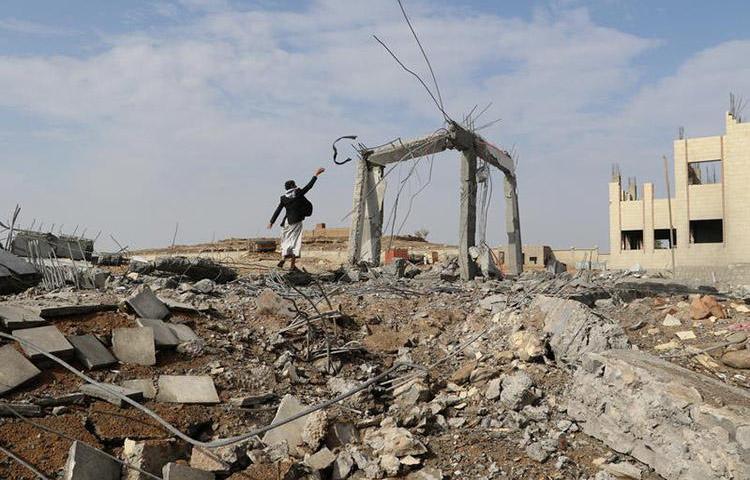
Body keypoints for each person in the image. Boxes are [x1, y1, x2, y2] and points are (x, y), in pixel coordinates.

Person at [267, 167, 326, 270]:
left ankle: (283, 258)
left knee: (285, 241)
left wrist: (271, 222)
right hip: (296, 222)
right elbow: (309, 186)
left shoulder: (283, 198)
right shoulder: (298, 193)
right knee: (295, 242)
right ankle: (292, 266)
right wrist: (316, 174)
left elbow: (278, 209)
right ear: (293, 186)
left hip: (286, 222)